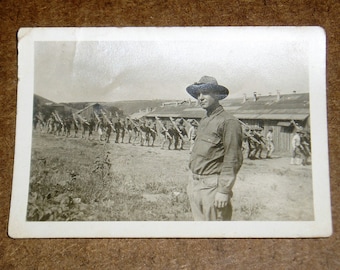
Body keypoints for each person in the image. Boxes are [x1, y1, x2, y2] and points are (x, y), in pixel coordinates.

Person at [186, 76, 243, 221]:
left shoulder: (228, 122)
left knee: (216, 234)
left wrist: (224, 190)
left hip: (212, 188)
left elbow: (233, 159)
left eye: (205, 93)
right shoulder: (205, 120)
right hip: (195, 184)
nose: (200, 98)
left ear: (217, 95)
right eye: (198, 94)